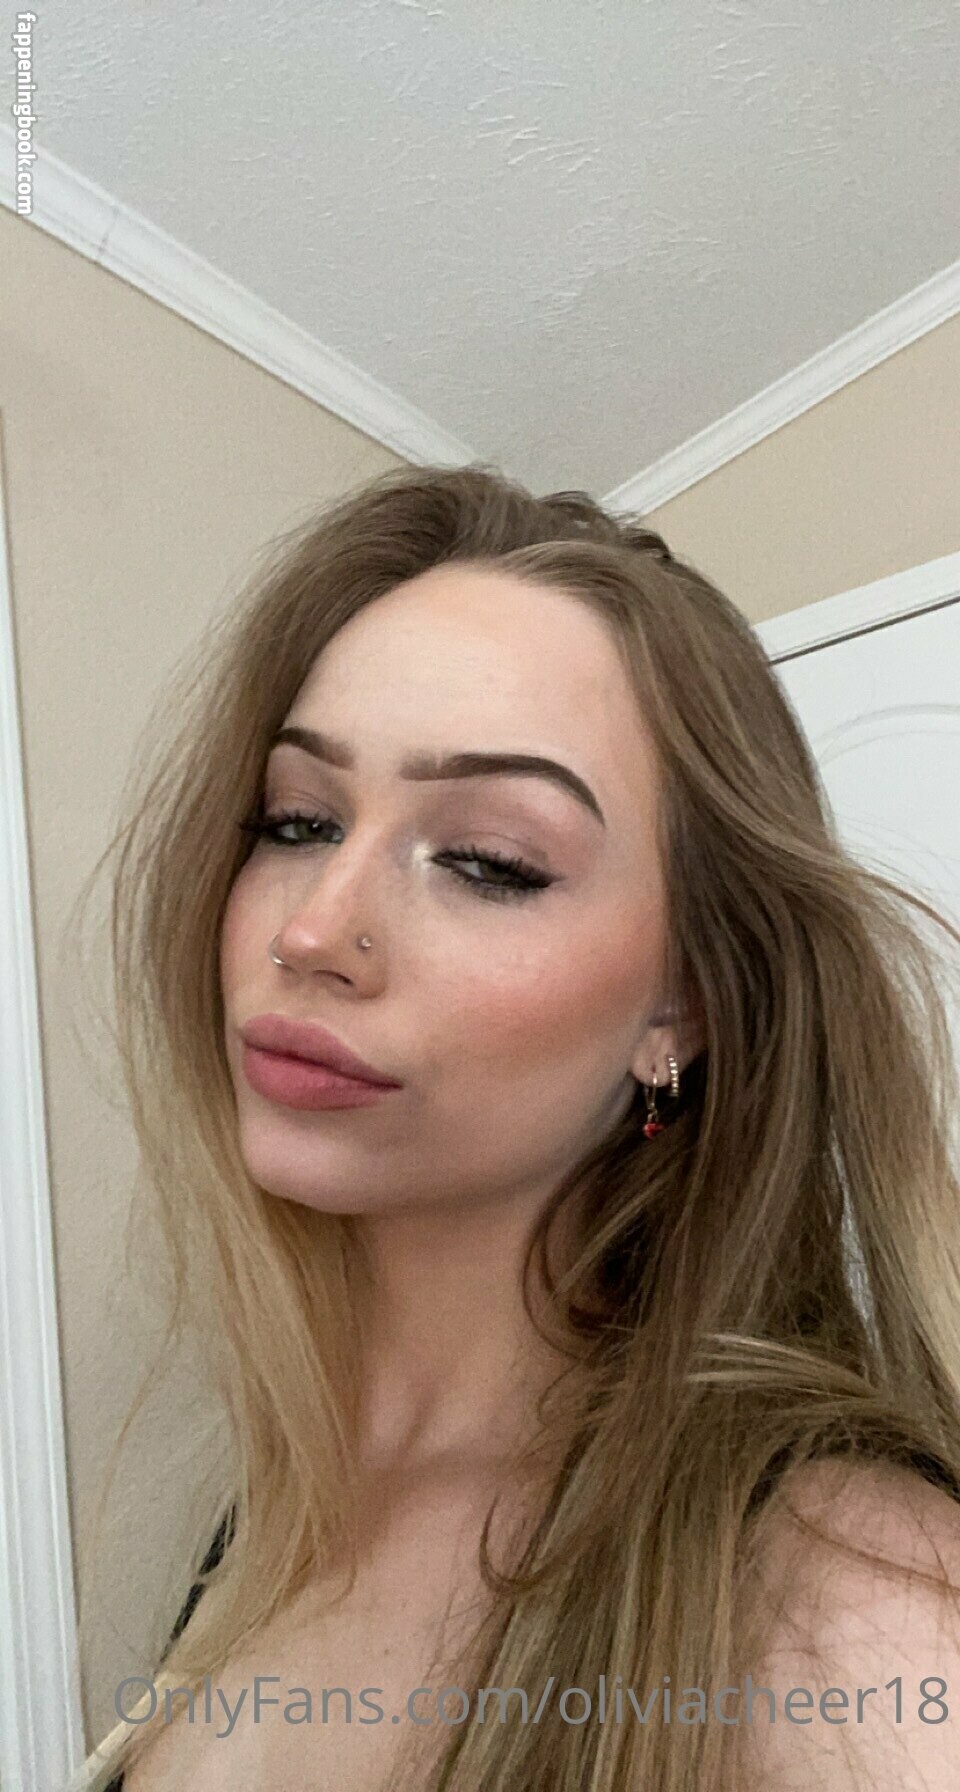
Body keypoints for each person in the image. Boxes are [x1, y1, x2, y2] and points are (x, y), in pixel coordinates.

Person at [72, 462, 960, 1792]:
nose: (312, 930)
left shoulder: (846, 1600)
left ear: (682, 1007)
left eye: (490, 860)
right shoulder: (264, 1522)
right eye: (297, 821)